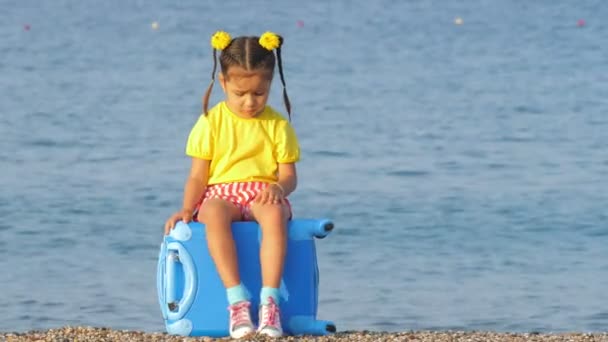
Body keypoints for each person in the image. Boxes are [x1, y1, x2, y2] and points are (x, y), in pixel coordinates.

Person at [164, 30, 299, 339]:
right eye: (241, 94)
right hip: (221, 193)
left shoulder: (278, 125)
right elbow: (198, 175)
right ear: (223, 83)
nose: (250, 102)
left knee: (275, 215)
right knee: (211, 212)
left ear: (270, 86)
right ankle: (237, 300)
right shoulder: (210, 122)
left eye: (259, 93)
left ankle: (270, 302)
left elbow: (288, 176)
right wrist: (186, 208)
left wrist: (279, 188)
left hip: (263, 191)